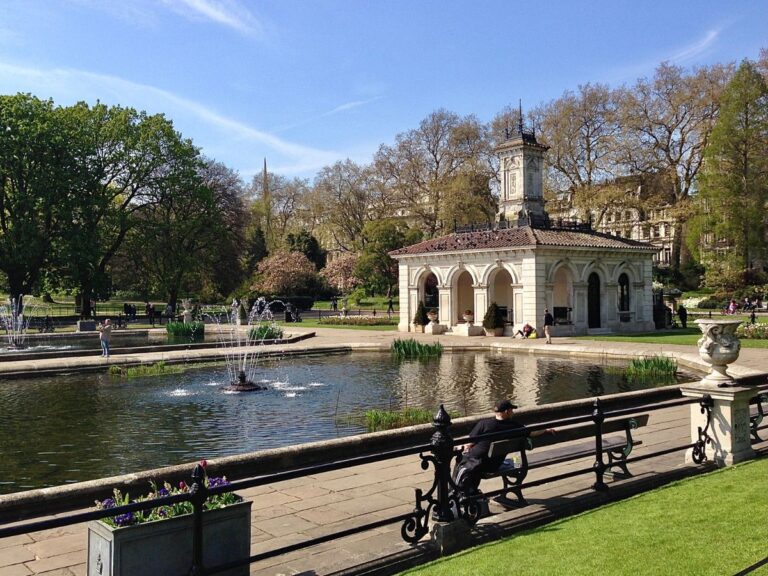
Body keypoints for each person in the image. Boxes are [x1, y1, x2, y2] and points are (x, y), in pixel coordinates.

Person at [454, 399, 555, 495]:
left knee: (460, 459)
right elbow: (532, 432)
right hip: (493, 465)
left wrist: (463, 447)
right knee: (471, 462)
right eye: (512, 410)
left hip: (478, 464)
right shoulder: (514, 426)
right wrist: (545, 430)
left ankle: (458, 492)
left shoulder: (484, 424)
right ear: (507, 411)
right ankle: (470, 492)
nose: (513, 412)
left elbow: (470, 442)